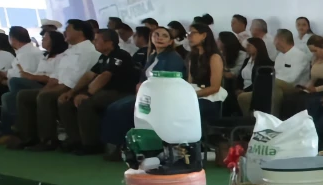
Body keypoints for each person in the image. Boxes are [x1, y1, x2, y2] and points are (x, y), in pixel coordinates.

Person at [10, 19, 97, 150]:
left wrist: (56, 91)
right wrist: (46, 88)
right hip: (60, 85)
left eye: (68, 29)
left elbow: (77, 78)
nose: (65, 32)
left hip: (75, 88)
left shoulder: (88, 51)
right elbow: (55, 76)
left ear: (80, 32)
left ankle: (48, 140)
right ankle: (29, 138)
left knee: (44, 97)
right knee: (24, 95)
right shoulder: (70, 51)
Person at [100, 26, 181, 159]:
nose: (160, 38)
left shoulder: (173, 58)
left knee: (122, 109)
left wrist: (145, 88)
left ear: (171, 41)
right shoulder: (153, 56)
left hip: (160, 96)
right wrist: (140, 85)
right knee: (114, 106)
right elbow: (144, 76)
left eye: (164, 36)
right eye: (156, 35)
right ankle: (115, 146)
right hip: (145, 93)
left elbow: (168, 80)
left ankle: (122, 148)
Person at [57, 28, 137, 154]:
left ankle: (91, 144)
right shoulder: (103, 57)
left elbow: (105, 76)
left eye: (97, 40)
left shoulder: (120, 55)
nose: (94, 42)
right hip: (105, 91)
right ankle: (76, 140)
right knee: (66, 102)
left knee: (85, 103)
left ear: (109, 43)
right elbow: (89, 75)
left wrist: (88, 94)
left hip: (121, 92)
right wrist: (72, 92)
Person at [237, 28, 310, 116]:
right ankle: (253, 121)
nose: (273, 43)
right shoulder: (279, 55)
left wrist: (270, 81)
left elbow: (291, 79)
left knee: (273, 82)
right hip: (277, 85)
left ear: (281, 40)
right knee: (243, 98)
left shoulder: (299, 55)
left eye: (275, 39)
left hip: (295, 87)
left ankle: (272, 119)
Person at [0, 26, 48, 141]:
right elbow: (17, 71)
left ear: (13, 39)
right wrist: (3, 74)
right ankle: (9, 131)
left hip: (36, 83)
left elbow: (24, 75)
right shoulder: (23, 52)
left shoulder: (28, 53)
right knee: (7, 96)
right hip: (26, 83)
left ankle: (15, 129)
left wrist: (4, 79)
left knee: (13, 87)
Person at [185, 21, 226, 127]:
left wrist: (193, 95)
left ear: (203, 35)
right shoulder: (192, 56)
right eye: (188, 33)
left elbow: (215, 87)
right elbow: (190, 82)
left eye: (193, 33)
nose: (189, 36)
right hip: (196, 93)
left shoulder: (214, 57)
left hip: (210, 97)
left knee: (196, 107)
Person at [284, 34, 323, 117]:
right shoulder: (315, 59)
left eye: (315, 50)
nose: (314, 53)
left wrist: (316, 89)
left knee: (304, 101)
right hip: (315, 86)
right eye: (312, 52)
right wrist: (305, 88)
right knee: (290, 98)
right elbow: (313, 79)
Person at [218, 30, 248, 109]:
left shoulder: (242, 54)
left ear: (225, 42)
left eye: (219, 40)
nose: (217, 42)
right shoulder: (220, 53)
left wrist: (218, 71)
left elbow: (232, 74)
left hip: (237, 83)